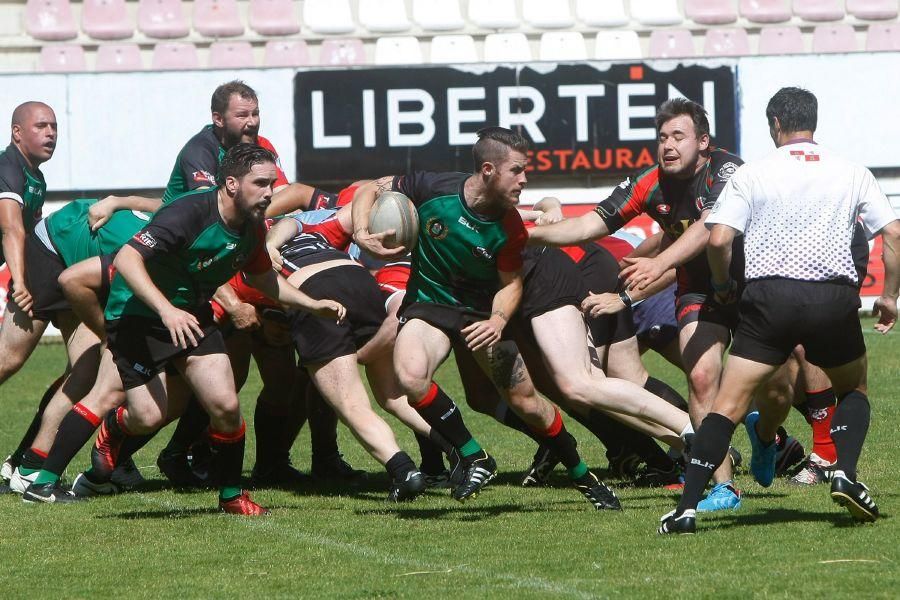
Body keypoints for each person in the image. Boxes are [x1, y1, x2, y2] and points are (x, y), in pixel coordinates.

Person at [22, 144, 345, 514]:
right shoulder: (190, 212)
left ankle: (231, 496)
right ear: (232, 184)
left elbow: (263, 279)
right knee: (144, 415)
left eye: (272, 183)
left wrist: (310, 303)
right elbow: (127, 259)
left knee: (225, 404)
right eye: (261, 183)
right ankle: (49, 478)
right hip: (138, 317)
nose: (270, 192)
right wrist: (165, 310)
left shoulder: (252, 227)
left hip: (192, 316)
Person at [658, 87, 900, 534]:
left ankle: (687, 509)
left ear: (774, 126)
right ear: (814, 122)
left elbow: (717, 239)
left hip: (770, 300)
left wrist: (723, 284)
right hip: (833, 298)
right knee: (853, 391)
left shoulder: (753, 173)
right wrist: (889, 297)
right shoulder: (852, 171)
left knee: (725, 408)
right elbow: (894, 234)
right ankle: (844, 471)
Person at [352, 127, 617, 506]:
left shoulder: (509, 228)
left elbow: (511, 285)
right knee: (410, 377)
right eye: (517, 170)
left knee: (527, 404)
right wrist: (362, 232)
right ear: (489, 169)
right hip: (429, 303)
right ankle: (474, 455)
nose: (525, 179)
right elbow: (370, 189)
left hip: (478, 315)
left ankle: (582, 474)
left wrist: (496, 321)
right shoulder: (433, 187)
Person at [529, 99, 745, 512]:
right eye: (662, 137)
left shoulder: (728, 170)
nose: (668, 145)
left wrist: (658, 264)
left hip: (753, 283)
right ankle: (723, 486)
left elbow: (711, 228)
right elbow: (590, 224)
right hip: (699, 289)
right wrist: (530, 237)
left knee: (780, 380)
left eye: (678, 136)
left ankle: (772, 437)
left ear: (703, 142)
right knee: (700, 377)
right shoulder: (649, 182)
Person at [5, 197, 157, 493]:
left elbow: (165, 202)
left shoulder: (188, 222)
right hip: (53, 249)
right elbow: (73, 281)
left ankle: (30, 467)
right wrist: (107, 335)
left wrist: (118, 200)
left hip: (75, 253)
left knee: (89, 372)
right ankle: (31, 468)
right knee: (11, 359)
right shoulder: (144, 253)